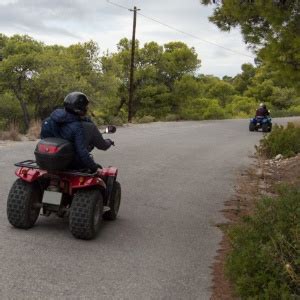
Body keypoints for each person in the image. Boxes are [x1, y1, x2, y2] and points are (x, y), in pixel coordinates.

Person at [40, 91, 114, 174]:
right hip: (71, 165)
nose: (86, 108)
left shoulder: (47, 121)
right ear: (80, 109)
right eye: (85, 106)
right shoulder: (79, 127)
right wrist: (94, 168)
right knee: (101, 175)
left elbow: (44, 141)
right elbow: (83, 151)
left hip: (46, 162)